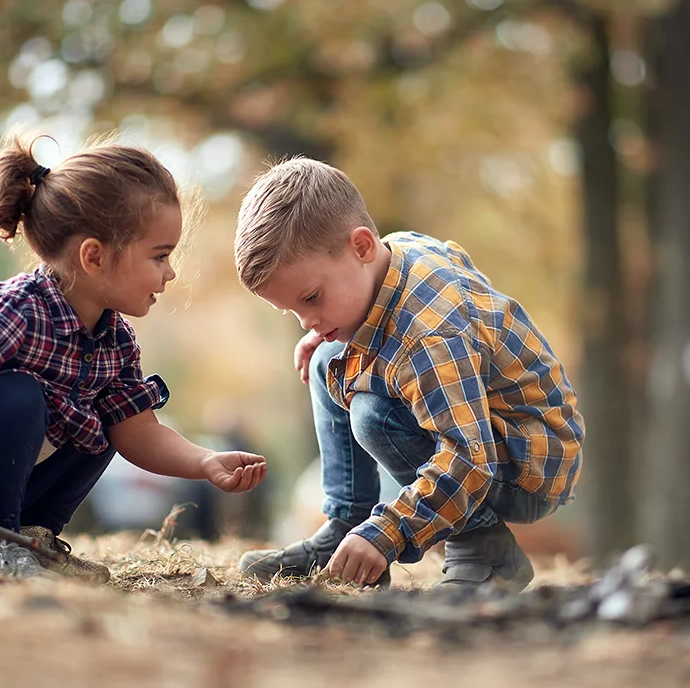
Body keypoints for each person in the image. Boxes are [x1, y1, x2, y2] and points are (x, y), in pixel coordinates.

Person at [0, 132, 266, 581]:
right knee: (20, 393)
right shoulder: (17, 310)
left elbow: (137, 431)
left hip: (3, 497)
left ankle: (31, 543)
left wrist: (204, 462)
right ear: (94, 256)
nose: (170, 272)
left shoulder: (115, 340)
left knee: (102, 418)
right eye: (160, 256)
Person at [232, 158, 583, 591]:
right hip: (483, 439)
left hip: (524, 464)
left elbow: (470, 456)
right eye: (294, 311)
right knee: (328, 361)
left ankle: (485, 550)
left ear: (361, 247)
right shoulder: (390, 254)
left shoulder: (431, 331)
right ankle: (347, 526)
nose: (305, 321)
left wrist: (388, 534)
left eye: (312, 298)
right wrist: (329, 327)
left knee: (373, 414)